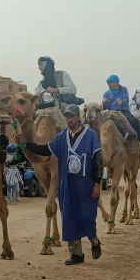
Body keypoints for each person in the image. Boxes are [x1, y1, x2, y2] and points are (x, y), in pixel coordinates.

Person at [25, 104, 102, 265]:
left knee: (87, 216)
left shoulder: (91, 135)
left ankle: (94, 241)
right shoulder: (61, 137)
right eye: (67, 116)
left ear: (78, 117)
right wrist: (26, 146)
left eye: (72, 116)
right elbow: (46, 150)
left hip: (86, 183)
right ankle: (76, 254)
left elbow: (97, 161)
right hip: (67, 184)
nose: (69, 119)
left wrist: (96, 183)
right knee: (69, 216)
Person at [102, 74, 140, 152]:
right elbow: (104, 107)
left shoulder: (123, 89)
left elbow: (126, 99)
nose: (109, 84)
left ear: (116, 82)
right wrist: (104, 103)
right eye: (108, 83)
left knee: (133, 121)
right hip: (111, 113)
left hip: (123, 111)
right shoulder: (106, 94)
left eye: (110, 82)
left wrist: (122, 101)